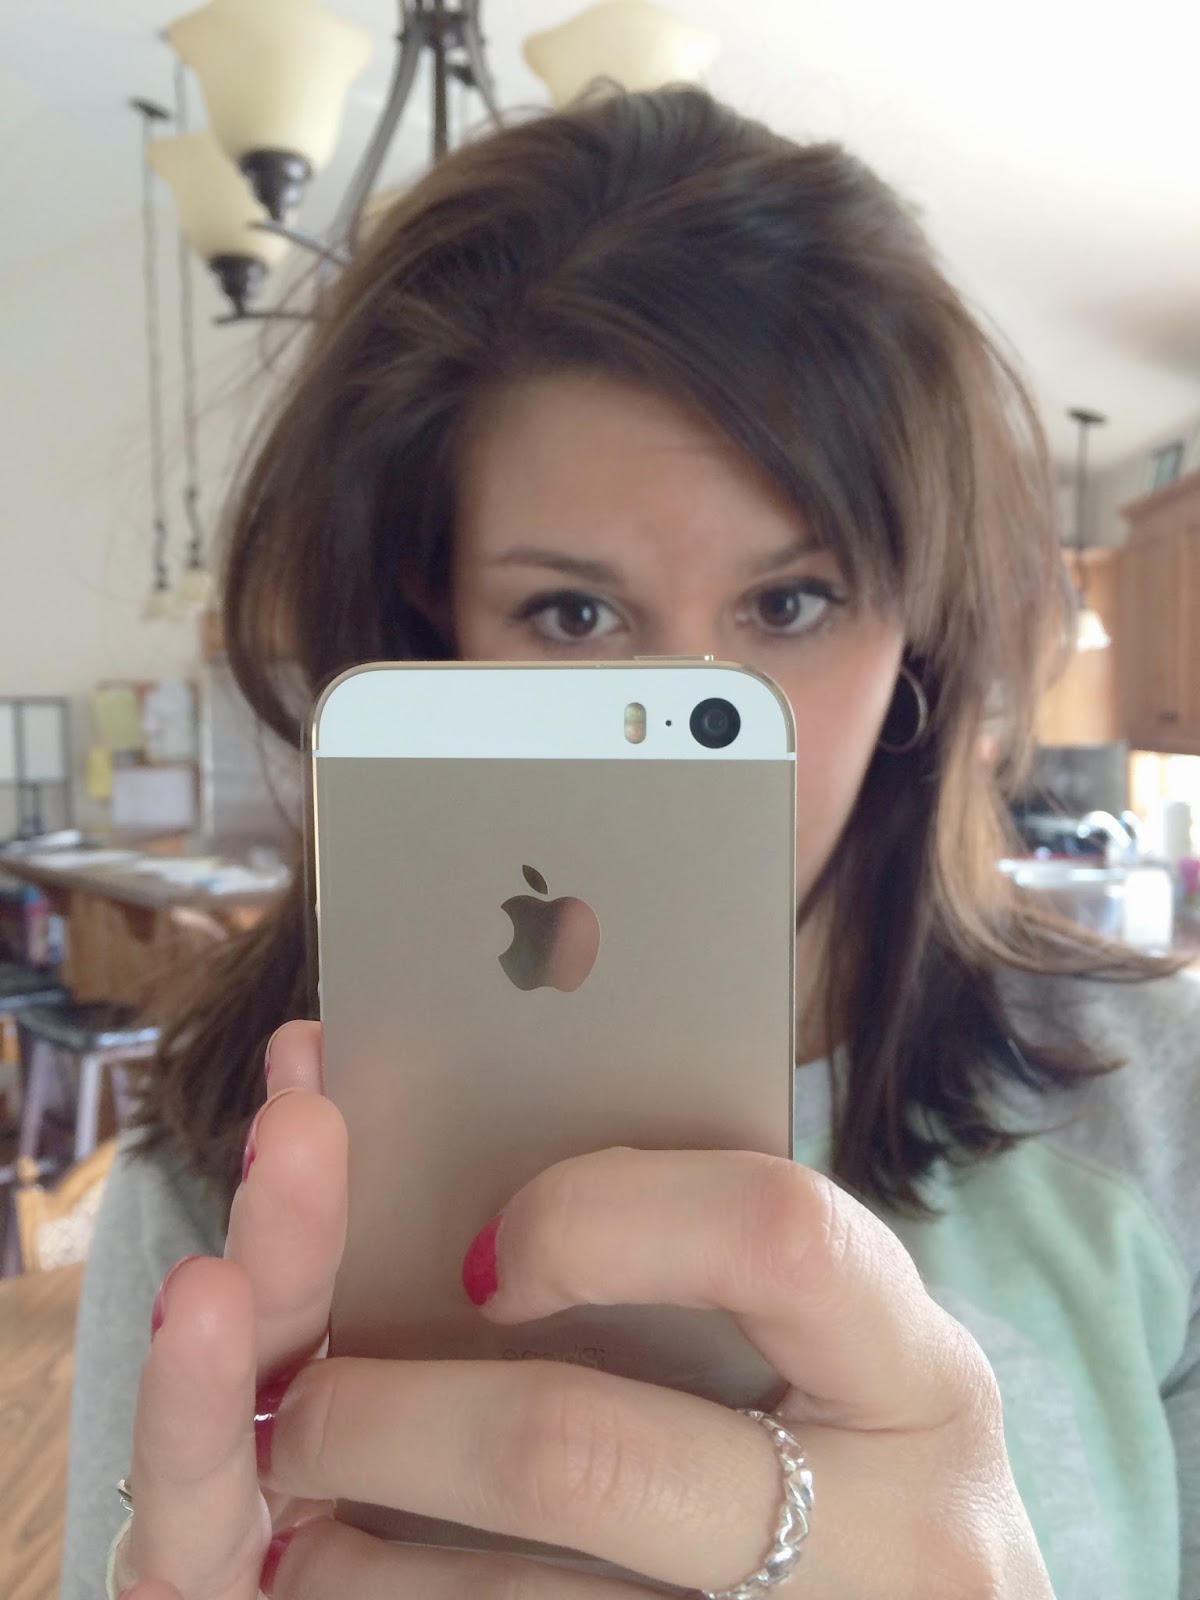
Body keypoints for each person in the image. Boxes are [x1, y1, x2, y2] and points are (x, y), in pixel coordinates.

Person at [61, 86, 1198, 1600]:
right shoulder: (225, 1171)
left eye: (790, 603)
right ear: (432, 627)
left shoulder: (1158, 1101)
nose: (680, 707)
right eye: (574, 612)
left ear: (917, 630)